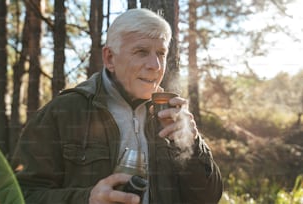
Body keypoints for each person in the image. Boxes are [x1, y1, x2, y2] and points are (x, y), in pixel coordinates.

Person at [12, 8, 223, 204]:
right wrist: (86, 199)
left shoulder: (172, 114)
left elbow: (208, 197)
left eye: (161, 53)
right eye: (141, 52)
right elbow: (20, 195)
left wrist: (193, 143)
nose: (155, 66)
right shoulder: (63, 112)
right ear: (110, 58)